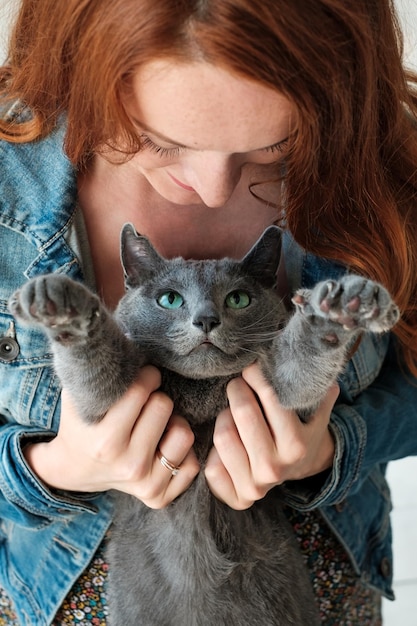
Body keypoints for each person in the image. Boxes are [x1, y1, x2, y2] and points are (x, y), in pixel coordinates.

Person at [1, 0, 417, 624]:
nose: (214, 188)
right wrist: (49, 468)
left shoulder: (383, 159)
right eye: (161, 143)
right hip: (77, 595)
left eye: (275, 145)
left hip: (314, 590)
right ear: (90, 72)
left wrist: (335, 448)